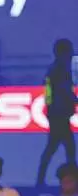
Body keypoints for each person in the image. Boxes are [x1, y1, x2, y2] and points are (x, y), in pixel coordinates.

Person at [37, 39, 75, 187]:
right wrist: (73, 100)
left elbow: (48, 92)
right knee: (66, 148)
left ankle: (41, 179)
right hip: (60, 114)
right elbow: (64, 90)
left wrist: (49, 107)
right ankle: (72, 179)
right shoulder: (61, 69)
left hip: (56, 113)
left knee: (55, 147)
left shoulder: (53, 69)